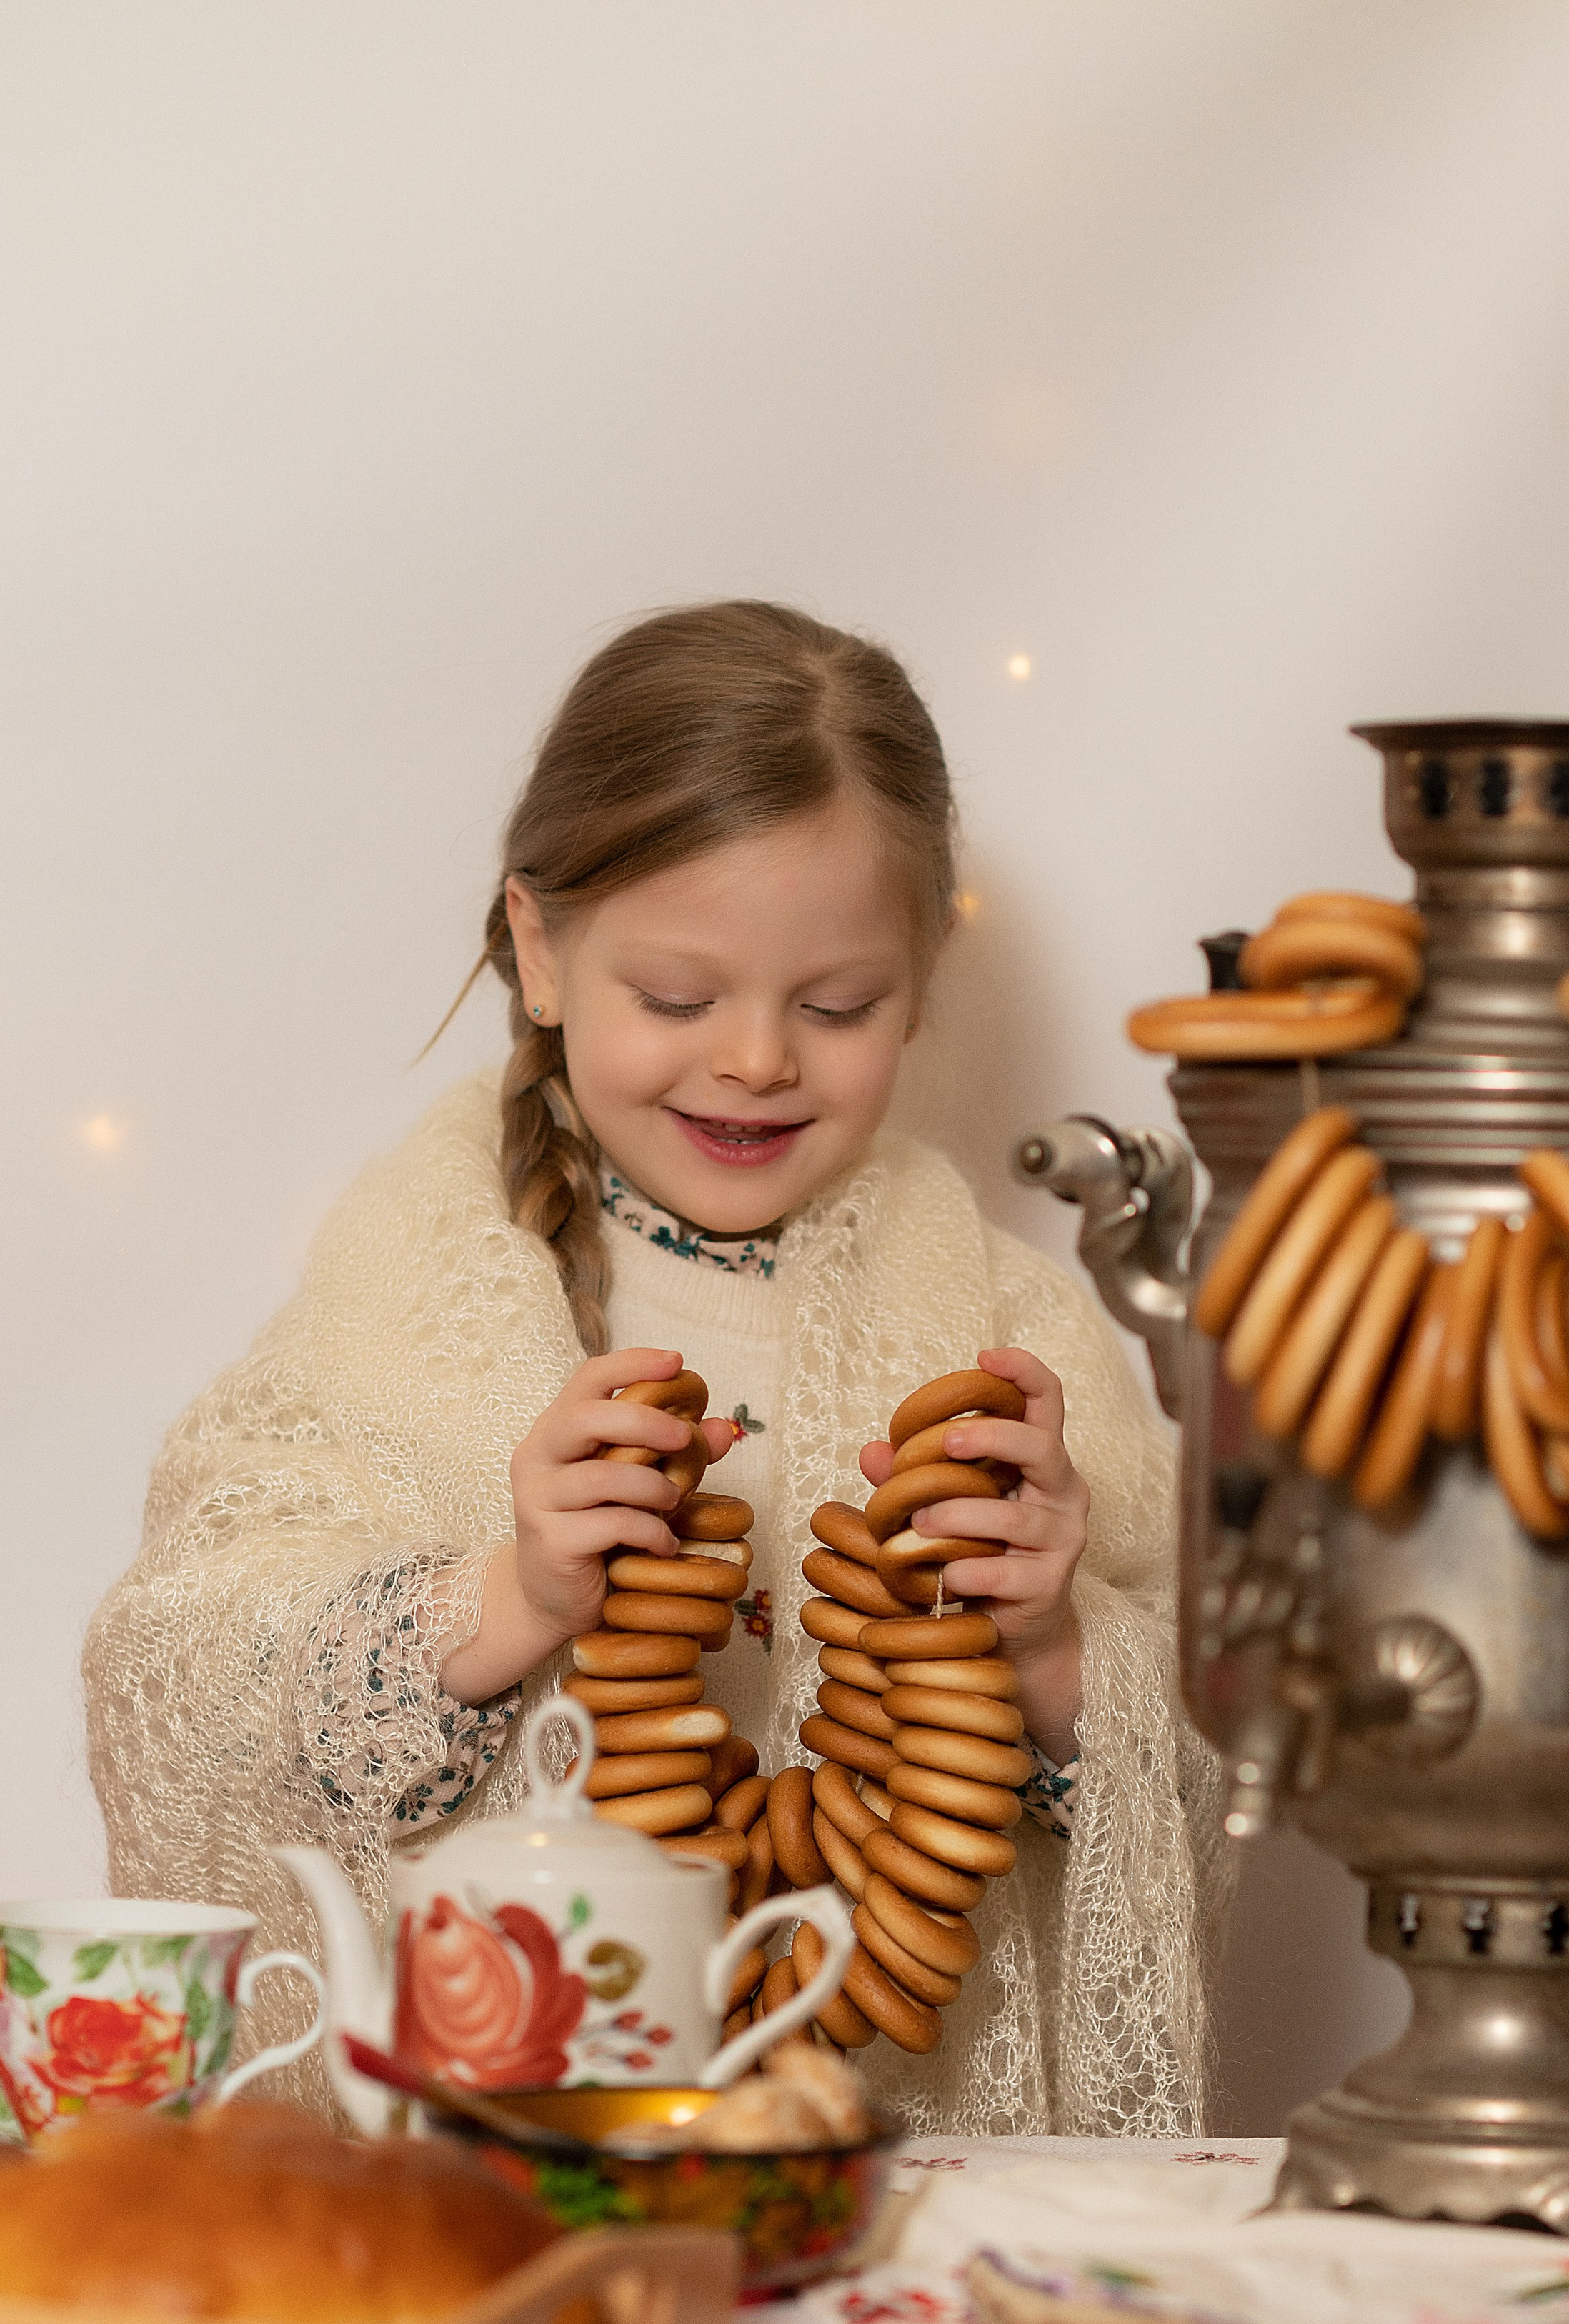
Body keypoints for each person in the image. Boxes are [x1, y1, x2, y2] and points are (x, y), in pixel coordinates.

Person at [84, 602, 1228, 2135]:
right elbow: (187, 1680)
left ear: (918, 980)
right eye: (679, 1000)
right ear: (541, 949)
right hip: (506, 2159)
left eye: (837, 1007)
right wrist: (511, 1598)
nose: (756, 1059)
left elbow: (1203, 1790)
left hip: (901, 2152)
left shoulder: (1014, 1334)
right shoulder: (406, 1297)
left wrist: (1048, 1647)